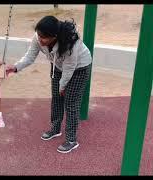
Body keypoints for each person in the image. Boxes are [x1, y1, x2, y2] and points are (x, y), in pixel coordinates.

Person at [6, 16, 92, 153]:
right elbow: (30, 56)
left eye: (44, 37)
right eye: (38, 35)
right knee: (56, 98)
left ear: (55, 36)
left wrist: (62, 86)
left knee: (71, 103)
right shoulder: (38, 37)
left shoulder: (71, 43)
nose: (40, 39)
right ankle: (55, 128)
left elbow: (69, 67)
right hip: (57, 66)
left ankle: (71, 140)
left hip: (79, 67)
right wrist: (16, 67)